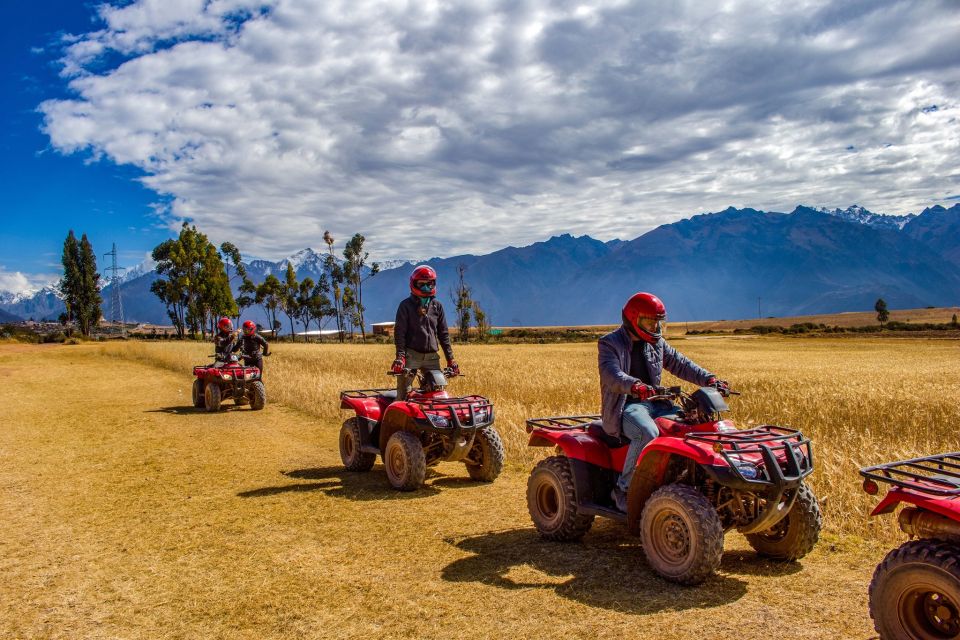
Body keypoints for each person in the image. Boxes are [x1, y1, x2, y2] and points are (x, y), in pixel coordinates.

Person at [600, 292, 729, 512]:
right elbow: (611, 375)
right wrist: (635, 386)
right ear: (634, 319)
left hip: (658, 404)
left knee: (695, 426)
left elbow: (681, 364)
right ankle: (624, 489)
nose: (655, 326)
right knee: (647, 433)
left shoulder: (657, 343)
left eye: (657, 322)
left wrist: (710, 378)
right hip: (627, 407)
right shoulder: (610, 343)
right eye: (649, 321)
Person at [391, 265, 459, 399]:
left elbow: (443, 334)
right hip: (411, 356)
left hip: (432, 357)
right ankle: (396, 419)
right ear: (413, 284)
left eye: (429, 284)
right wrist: (400, 357)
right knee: (404, 395)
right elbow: (400, 333)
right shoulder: (405, 306)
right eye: (421, 285)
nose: (426, 288)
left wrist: (451, 360)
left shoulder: (437, 306)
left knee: (437, 394)